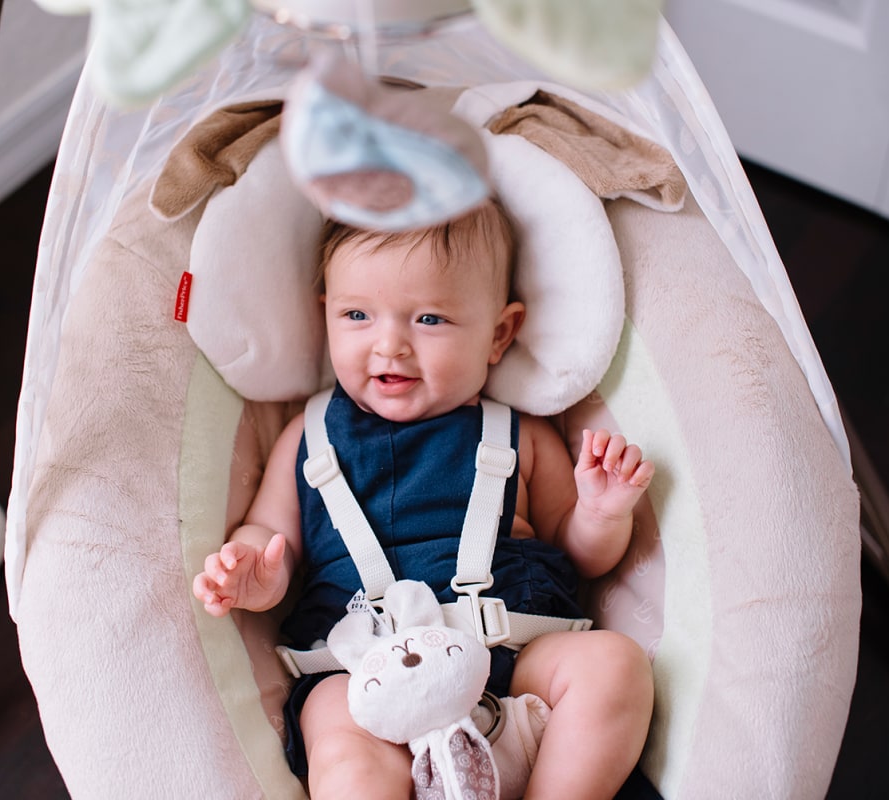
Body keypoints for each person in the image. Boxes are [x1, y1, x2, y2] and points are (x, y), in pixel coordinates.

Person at [193, 198, 655, 799]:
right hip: (368, 680)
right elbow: (268, 533)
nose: (390, 345)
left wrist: (600, 512)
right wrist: (255, 571)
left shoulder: (522, 437)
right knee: (337, 736)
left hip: (513, 669)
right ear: (324, 315)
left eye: (430, 320)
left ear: (498, 334)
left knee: (614, 664)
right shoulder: (309, 438)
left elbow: (581, 554)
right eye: (357, 314)